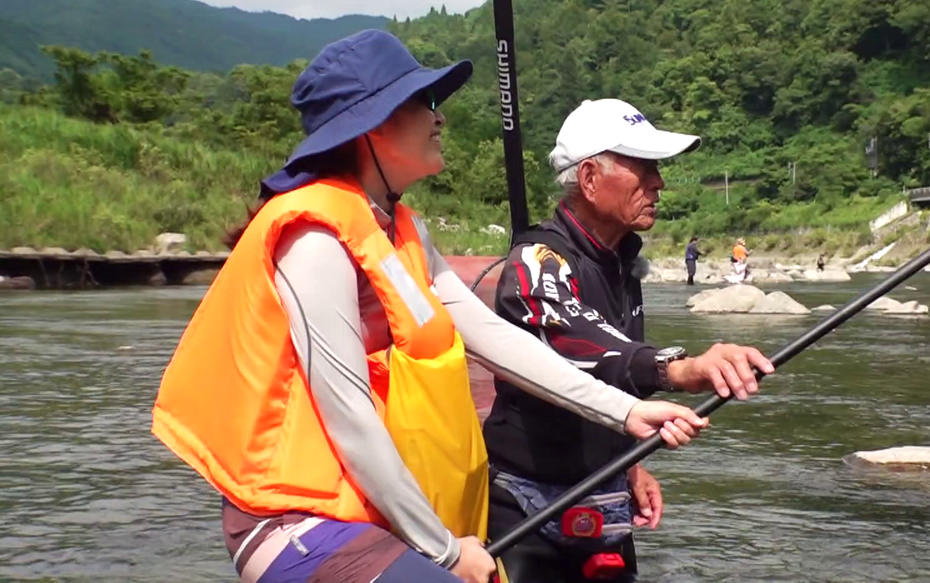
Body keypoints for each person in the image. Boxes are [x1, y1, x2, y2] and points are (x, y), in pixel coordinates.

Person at [149, 33, 709, 583]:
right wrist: (441, 551)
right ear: (373, 127)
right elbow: (348, 415)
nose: (441, 119)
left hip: (367, 509)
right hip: (294, 518)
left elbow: (495, 338)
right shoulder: (315, 241)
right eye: (427, 104)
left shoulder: (404, 230)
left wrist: (626, 412)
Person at [482, 98, 774, 582]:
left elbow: (613, 369)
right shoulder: (537, 258)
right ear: (591, 178)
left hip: (606, 493)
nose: (658, 182)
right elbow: (573, 337)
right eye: (643, 169)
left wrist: (629, 465)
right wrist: (676, 369)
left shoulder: (622, 260)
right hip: (526, 505)